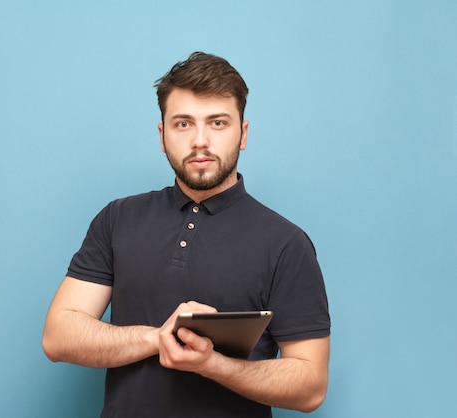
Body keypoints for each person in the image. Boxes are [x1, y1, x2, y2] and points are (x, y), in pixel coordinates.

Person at [42, 51, 330, 418]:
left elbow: (310, 385)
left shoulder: (286, 243)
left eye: (218, 123)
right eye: (183, 124)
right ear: (162, 136)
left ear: (243, 134)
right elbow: (58, 335)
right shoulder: (117, 218)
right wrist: (157, 337)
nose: (200, 141)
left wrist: (212, 364)